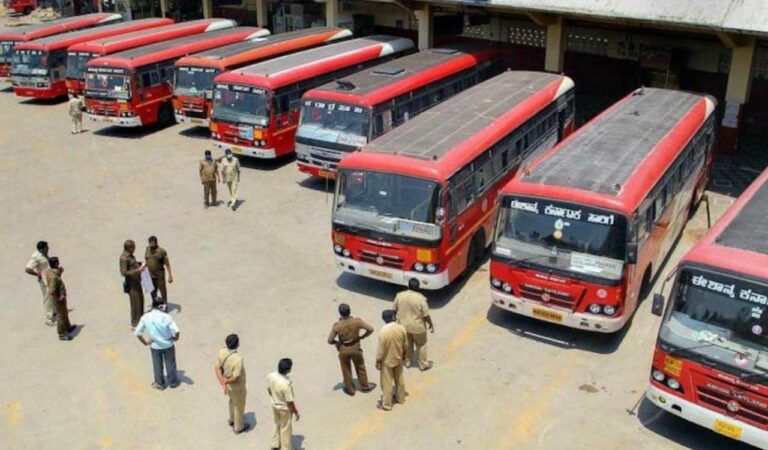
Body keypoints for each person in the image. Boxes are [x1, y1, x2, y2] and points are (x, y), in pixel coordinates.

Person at [327, 303, 376, 396]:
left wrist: (337, 343)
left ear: (340, 313)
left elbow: (329, 340)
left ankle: (350, 389)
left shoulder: (337, 326)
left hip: (343, 350)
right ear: (349, 311)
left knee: (346, 369)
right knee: (360, 366)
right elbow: (370, 329)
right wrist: (362, 337)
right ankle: (365, 386)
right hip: (355, 348)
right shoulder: (357, 321)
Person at [134, 297, 180, 390]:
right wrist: (175, 338)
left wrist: (145, 342)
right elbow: (177, 331)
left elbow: (137, 333)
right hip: (168, 344)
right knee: (170, 364)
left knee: (157, 365)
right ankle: (173, 382)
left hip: (155, 346)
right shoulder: (166, 317)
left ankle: (159, 384)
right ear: (161, 306)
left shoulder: (145, 317)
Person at [393, 278, 435, 371]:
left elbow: (394, 310)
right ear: (418, 287)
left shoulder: (399, 295)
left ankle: (407, 361)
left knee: (407, 344)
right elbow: (426, 315)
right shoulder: (421, 298)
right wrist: (430, 324)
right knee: (421, 344)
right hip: (418, 327)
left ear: (408, 286)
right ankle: (423, 365)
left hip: (403, 326)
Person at [215, 334, 249, 434]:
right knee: (239, 406)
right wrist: (226, 381)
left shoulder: (221, 352)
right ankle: (239, 427)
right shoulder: (238, 359)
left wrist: (223, 383)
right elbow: (236, 377)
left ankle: (232, 419)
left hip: (229, 387)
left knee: (231, 402)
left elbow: (217, 368)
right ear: (237, 344)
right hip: (237, 388)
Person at [376, 309, 407, 411]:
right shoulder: (401, 328)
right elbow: (405, 344)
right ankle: (400, 398)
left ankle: (387, 405)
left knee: (387, 384)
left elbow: (381, 350)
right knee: (399, 379)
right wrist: (404, 355)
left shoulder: (383, 331)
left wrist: (378, 361)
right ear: (393, 317)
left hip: (387, 361)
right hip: (398, 357)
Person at [267, 358, 299, 450]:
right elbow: (290, 402)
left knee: (277, 423)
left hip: (274, 405)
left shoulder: (271, 376)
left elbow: (269, 389)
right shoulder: (286, 385)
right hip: (284, 409)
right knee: (285, 429)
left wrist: (274, 398)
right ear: (288, 370)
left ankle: (275, 443)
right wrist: (295, 412)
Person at [44, 257, 75, 341]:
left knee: (64, 312)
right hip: (58, 299)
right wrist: (59, 298)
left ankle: (68, 327)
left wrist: (59, 272)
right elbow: (52, 291)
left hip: (59, 298)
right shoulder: (54, 277)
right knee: (61, 316)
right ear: (55, 264)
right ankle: (61, 334)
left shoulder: (49, 271)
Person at [25, 240, 55, 326]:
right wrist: (38, 274)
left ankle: (53, 312)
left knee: (52, 296)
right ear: (42, 249)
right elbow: (27, 269)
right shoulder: (36, 257)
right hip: (45, 280)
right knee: (47, 298)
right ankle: (48, 319)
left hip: (50, 277)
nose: (48, 248)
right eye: (46, 247)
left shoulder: (44, 254)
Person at [120, 240, 146, 329]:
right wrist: (137, 270)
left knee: (140, 300)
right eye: (133, 247)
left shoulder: (130, 256)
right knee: (135, 303)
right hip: (131, 283)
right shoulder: (124, 258)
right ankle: (135, 323)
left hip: (137, 281)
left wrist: (138, 264)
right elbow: (124, 272)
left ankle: (141, 319)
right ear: (129, 247)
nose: (134, 248)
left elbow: (132, 265)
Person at [144, 236, 173, 311]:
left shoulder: (162, 251)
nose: (151, 246)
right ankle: (155, 305)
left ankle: (164, 306)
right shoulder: (147, 249)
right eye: (150, 243)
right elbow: (146, 260)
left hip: (159, 275)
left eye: (152, 244)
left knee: (163, 291)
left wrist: (170, 275)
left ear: (156, 243)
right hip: (150, 275)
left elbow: (167, 264)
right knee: (152, 291)